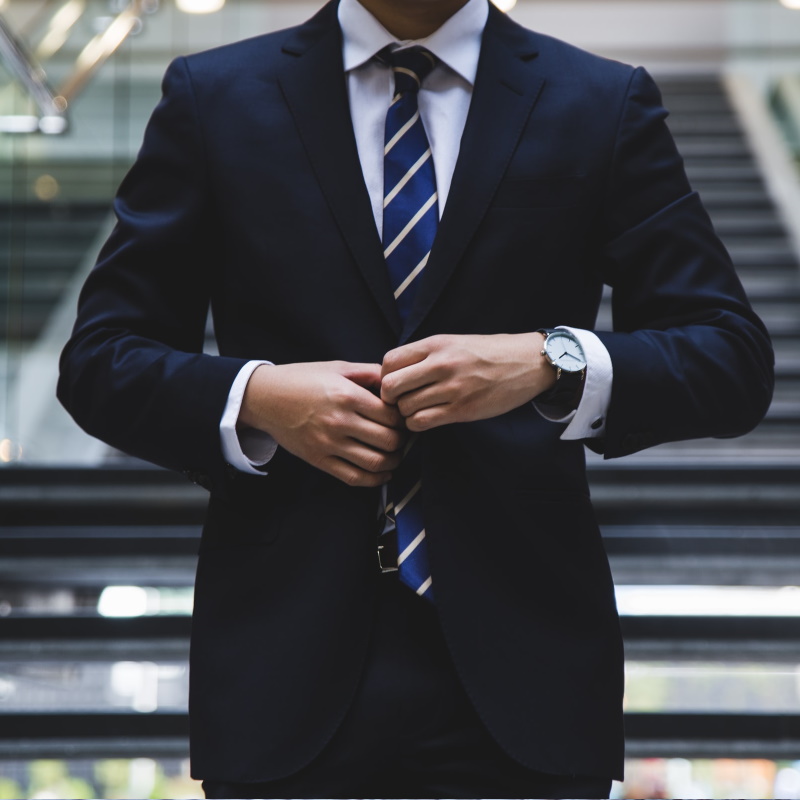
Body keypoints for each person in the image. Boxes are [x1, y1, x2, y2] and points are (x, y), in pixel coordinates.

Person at [57, 0, 774, 797]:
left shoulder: (600, 99)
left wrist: (550, 358)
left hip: (526, 675)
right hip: (283, 667)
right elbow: (99, 360)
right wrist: (256, 396)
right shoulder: (215, 94)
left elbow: (729, 357)